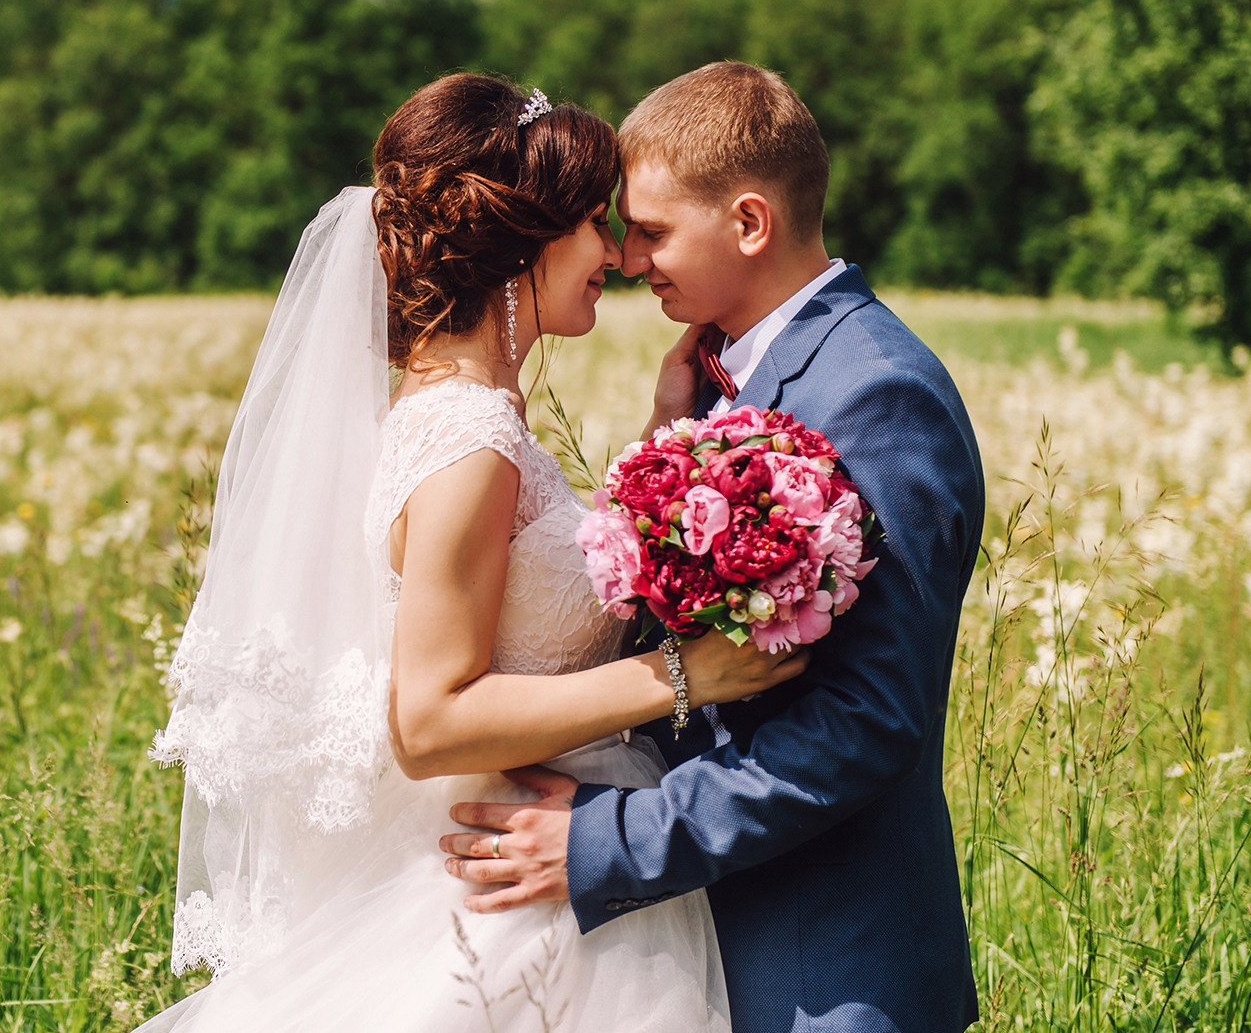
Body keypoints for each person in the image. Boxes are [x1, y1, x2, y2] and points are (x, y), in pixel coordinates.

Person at [136, 72, 805, 1031]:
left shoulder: (469, 415)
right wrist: (685, 673)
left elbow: (529, 589)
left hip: (539, 844)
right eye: (592, 223)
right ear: (525, 242)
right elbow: (430, 720)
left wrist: (665, 430)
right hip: (507, 893)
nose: (615, 256)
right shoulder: (471, 440)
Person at [442, 62, 986, 1033]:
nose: (626, 256)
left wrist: (603, 841)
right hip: (694, 943)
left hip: (822, 960)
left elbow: (862, 720)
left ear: (747, 222)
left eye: (650, 230)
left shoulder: (873, 392)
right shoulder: (711, 382)